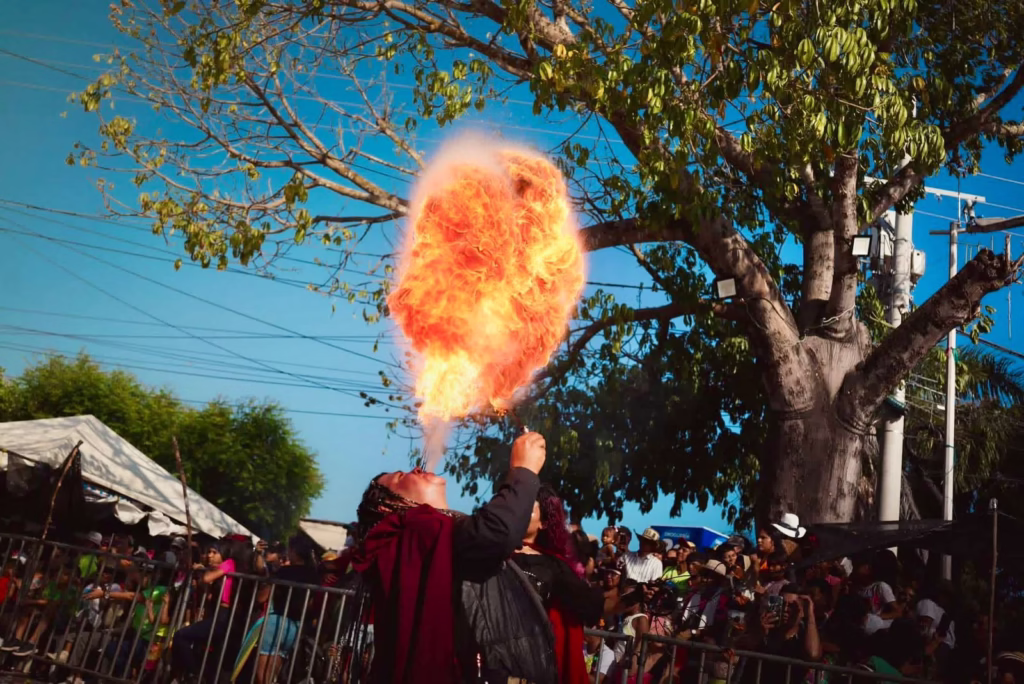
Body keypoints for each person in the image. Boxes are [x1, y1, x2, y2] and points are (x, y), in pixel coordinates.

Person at [351, 431, 556, 684]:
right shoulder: (415, 531)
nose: (417, 468)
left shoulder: (435, 534)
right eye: (400, 477)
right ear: (386, 507)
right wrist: (523, 471)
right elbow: (495, 533)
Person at [515, 485, 604, 684]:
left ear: (544, 522)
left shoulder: (554, 567)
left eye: (527, 507)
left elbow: (589, 605)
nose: (518, 510)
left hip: (532, 664)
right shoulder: (493, 552)